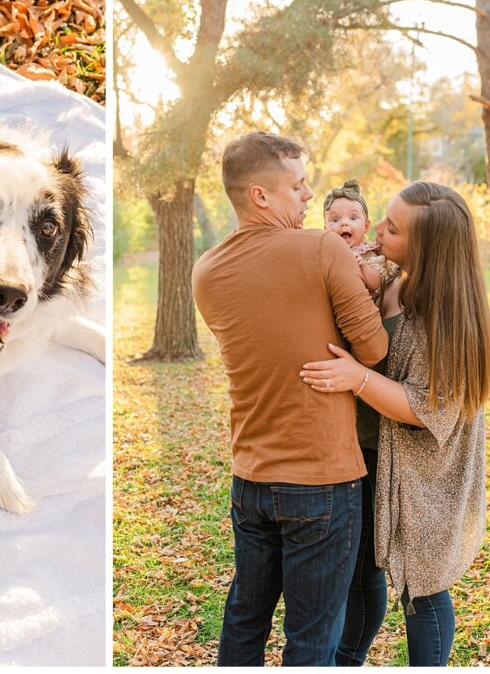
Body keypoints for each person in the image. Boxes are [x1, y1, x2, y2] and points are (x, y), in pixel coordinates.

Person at [192, 132, 388, 666]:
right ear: (260, 195)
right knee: (312, 639)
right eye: (298, 185)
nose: (308, 196)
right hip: (322, 482)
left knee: (245, 619)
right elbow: (372, 347)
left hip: (250, 479)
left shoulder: (205, 270)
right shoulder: (322, 248)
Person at [300, 182, 490, 666]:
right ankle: (347, 660)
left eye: (392, 228)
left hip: (420, 470)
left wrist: (356, 377)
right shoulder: (390, 277)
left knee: (420, 589)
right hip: (365, 453)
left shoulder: (445, 315)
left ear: (426, 246)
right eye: (381, 220)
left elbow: (427, 407)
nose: (378, 232)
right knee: (361, 573)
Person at [323, 179, 399, 296]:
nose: (344, 223)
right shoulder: (324, 253)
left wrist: (363, 266)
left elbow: (376, 283)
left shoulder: (368, 255)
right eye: (335, 219)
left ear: (366, 226)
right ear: (325, 229)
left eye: (353, 218)